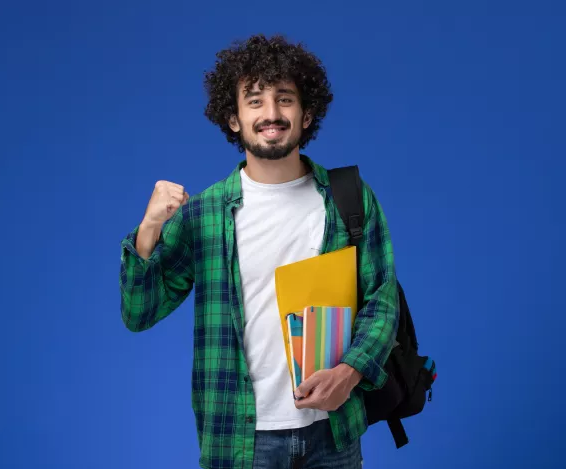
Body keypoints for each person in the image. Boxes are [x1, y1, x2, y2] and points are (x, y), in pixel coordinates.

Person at [119, 34, 399, 469]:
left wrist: (351, 372)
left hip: (333, 432)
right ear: (233, 119)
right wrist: (149, 227)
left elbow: (382, 300)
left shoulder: (349, 197)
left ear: (307, 114)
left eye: (285, 100)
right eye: (255, 101)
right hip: (239, 437)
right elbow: (139, 312)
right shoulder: (205, 214)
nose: (271, 114)